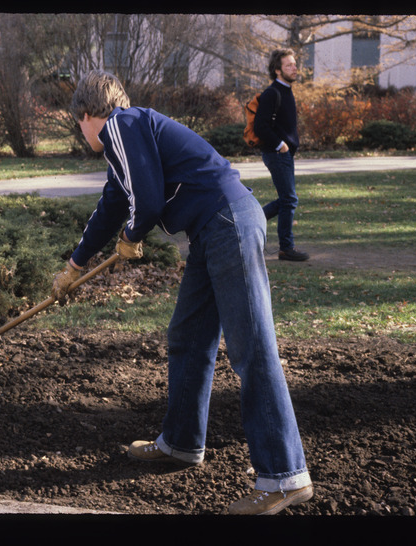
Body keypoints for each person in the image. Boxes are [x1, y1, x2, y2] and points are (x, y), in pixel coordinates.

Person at [52, 69, 313, 515]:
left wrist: (133, 234)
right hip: (211, 230)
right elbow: (115, 202)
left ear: (87, 114)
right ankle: (181, 443)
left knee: (251, 347)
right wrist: (75, 265)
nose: (82, 133)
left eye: (79, 125)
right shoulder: (126, 142)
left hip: (227, 222)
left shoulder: (122, 124)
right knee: (189, 338)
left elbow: (147, 203)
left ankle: (285, 476)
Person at [254, 49, 310, 261]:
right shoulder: (272, 93)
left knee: (287, 199)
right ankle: (286, 248)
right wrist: (281, 145)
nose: (294, 68)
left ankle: (250, 220)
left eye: (294, 64)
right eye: (288, 65)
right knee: (289, 199)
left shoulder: (286, 90)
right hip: (276, 154)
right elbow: (261, 127)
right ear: (277, 70)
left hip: (284, 154)